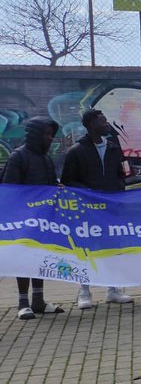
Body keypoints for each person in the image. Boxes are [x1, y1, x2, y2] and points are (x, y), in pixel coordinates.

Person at [61, 110, 136, 308]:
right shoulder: (76, 151)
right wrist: (89, 193)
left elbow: (121, 174)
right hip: (87, 210)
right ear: (92, 124)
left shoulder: (113, 148)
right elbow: (69, 181)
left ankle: (113, 290)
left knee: (113, 249)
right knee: (86, 250)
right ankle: (84, 291)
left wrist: (118, 191)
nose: (107, 125)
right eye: (103, 121)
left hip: (111, 208)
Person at [4, 117, 66, 319]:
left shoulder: (46, 159)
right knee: (23, 259)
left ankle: (38, 300)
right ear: (35, 135)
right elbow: (10, 190)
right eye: (47, 134)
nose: (50, 138)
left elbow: (48, 186)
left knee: (40, 258)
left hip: (43, 218)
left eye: (51, 134)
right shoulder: (18, 157)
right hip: (24, 219)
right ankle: (23, 302)